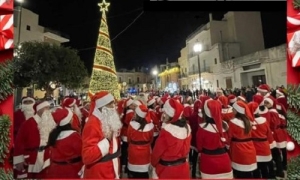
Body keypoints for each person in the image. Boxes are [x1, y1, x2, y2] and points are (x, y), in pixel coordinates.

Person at [82, 91, 122, 179]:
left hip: (110, 168)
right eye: (111, 104)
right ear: (103, 107)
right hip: (99, 173)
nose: (114, 107)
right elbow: (87, 156)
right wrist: (107, 140)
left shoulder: (106, 120)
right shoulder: (92, 124)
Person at [14, 101, 56, 179]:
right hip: (31, 157)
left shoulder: (50, 123)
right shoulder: (28, 123)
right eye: (46, 108)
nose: (48, 110)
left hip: (46, 156)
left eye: (48, 108)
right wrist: (19, 159)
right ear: (39, 110)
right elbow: (19, 142)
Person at [151, 99, 191, 179]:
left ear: (169, 114)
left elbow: (157, 153)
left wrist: (153, 164)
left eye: (165, 112)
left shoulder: (166, 131)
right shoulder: (187, 128)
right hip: (183, 169)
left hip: (166, 171)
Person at [196, 100, 233, 179]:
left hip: (208, 162)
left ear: (205, 112)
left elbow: (199, 147)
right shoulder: (225, 125)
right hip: (225, 160)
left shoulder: (202, 128)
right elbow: (229, 141)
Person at [46, 108, 83, 179]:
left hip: (54, 170)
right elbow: (81, 151)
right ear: (69, 121)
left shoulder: (53, 134)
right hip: (71, 170)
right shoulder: (73, 135)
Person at [228, 101, 257, 178]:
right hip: (250, 148)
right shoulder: (248, 122)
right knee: (248, 174)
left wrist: (227, 146)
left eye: (233, 109)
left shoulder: (233, 122)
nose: (232, 110)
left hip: (238, 149)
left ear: (237, 111)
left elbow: (229, 136)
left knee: (240, 174)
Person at [127, 104, 154, 179]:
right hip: (146, 152)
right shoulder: (150, 126)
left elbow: (129, 139)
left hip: (133, 151)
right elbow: (151, 140)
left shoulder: (131, 124)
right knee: (145, 175)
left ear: (137, 114)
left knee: (133, 174)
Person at [247, 102, 273, 178]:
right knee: (264, 168)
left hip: (254, 147)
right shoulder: (264, 120)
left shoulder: (247, 122)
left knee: (256, 170)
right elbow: (269, 134)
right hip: (264, 146)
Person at [264, 96, 285, 178]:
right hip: (274, 134)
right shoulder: (272, 111)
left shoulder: (272, 112)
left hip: (273, 135)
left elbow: (274, 123)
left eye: (267, 103)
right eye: (265, 102)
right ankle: (280, 170)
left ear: (271, 104)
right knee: (276, 154)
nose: (265, 104)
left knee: (275, 153)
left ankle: (279, 171)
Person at [120, 98, 135, 175]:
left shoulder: (127, 112)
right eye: (132, 105)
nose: (134, 106)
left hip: (124, 134)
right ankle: (125, 166)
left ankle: (123, 165)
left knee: (124, 150)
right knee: (126, 152)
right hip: (127, 134)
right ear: (129, 106)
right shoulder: (131, 113)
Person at [276, 103, 288, 171]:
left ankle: (282, 164)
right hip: (283, 132)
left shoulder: (279, 116)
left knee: (280, 149)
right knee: (283, 149)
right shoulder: (283, 116)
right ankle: (284, 163)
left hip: (279, 133)